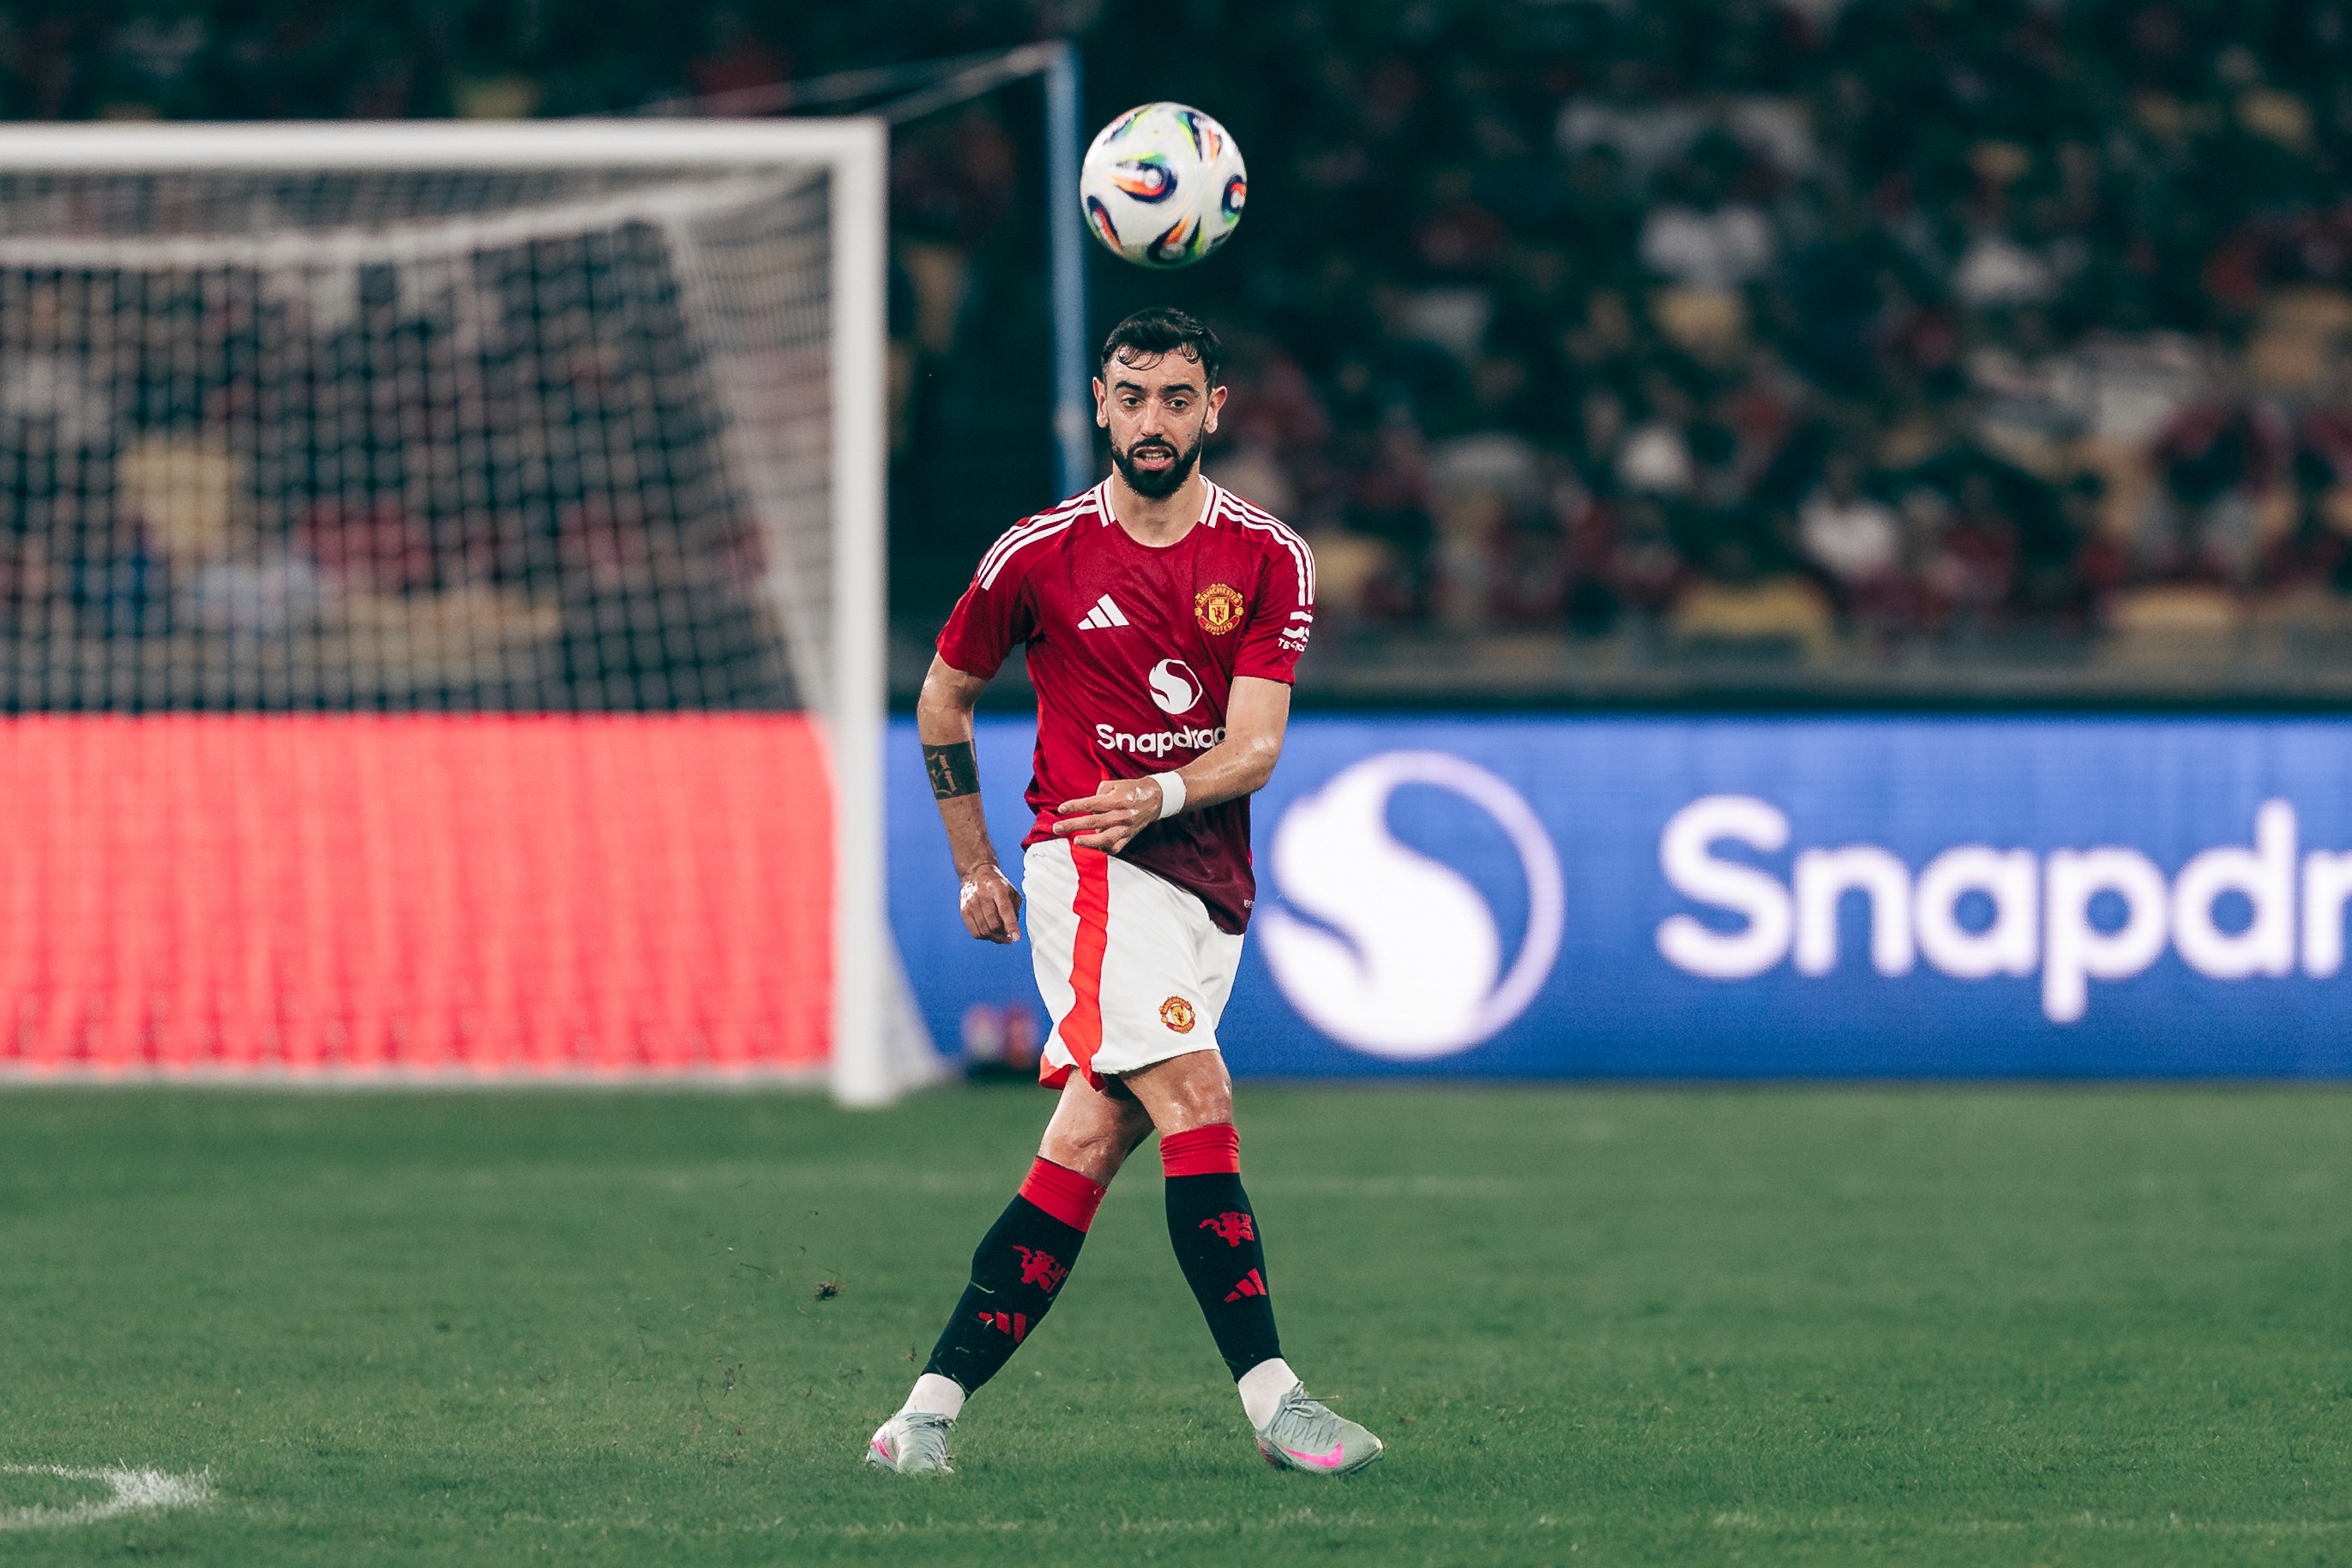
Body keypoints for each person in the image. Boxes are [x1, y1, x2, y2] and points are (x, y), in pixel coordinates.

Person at [866, 307, 1383, 1477]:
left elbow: (1254, 749)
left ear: (1216, 409)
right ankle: (1277, 1402)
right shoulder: (1036, 553)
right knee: (1197, 1091)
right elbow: (943, 697)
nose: (1154, 419)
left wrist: (1155, 794)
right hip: (1085, 865)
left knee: (1091, 1138)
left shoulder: (1266, 555)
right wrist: (975, 863)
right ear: (1100, 404)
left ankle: (923, 1417)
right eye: (1133, 395)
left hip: (1202, 880)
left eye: (1177, 397)